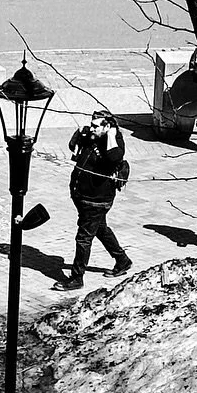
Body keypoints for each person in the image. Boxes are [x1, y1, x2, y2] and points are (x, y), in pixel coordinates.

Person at [60, 110, 131, 290]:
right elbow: (73, 147)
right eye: (91, 125)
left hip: (96, 200)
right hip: (82, 196)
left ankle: (77, 278)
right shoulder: (92, 137)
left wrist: (111, 135)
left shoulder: (114, 141)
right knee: (100, 229)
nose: (92, 129)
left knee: (83, 238)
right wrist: (79, 135)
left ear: (107, 126)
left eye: (95, 126)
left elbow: (114, 157)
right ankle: (122, 260)